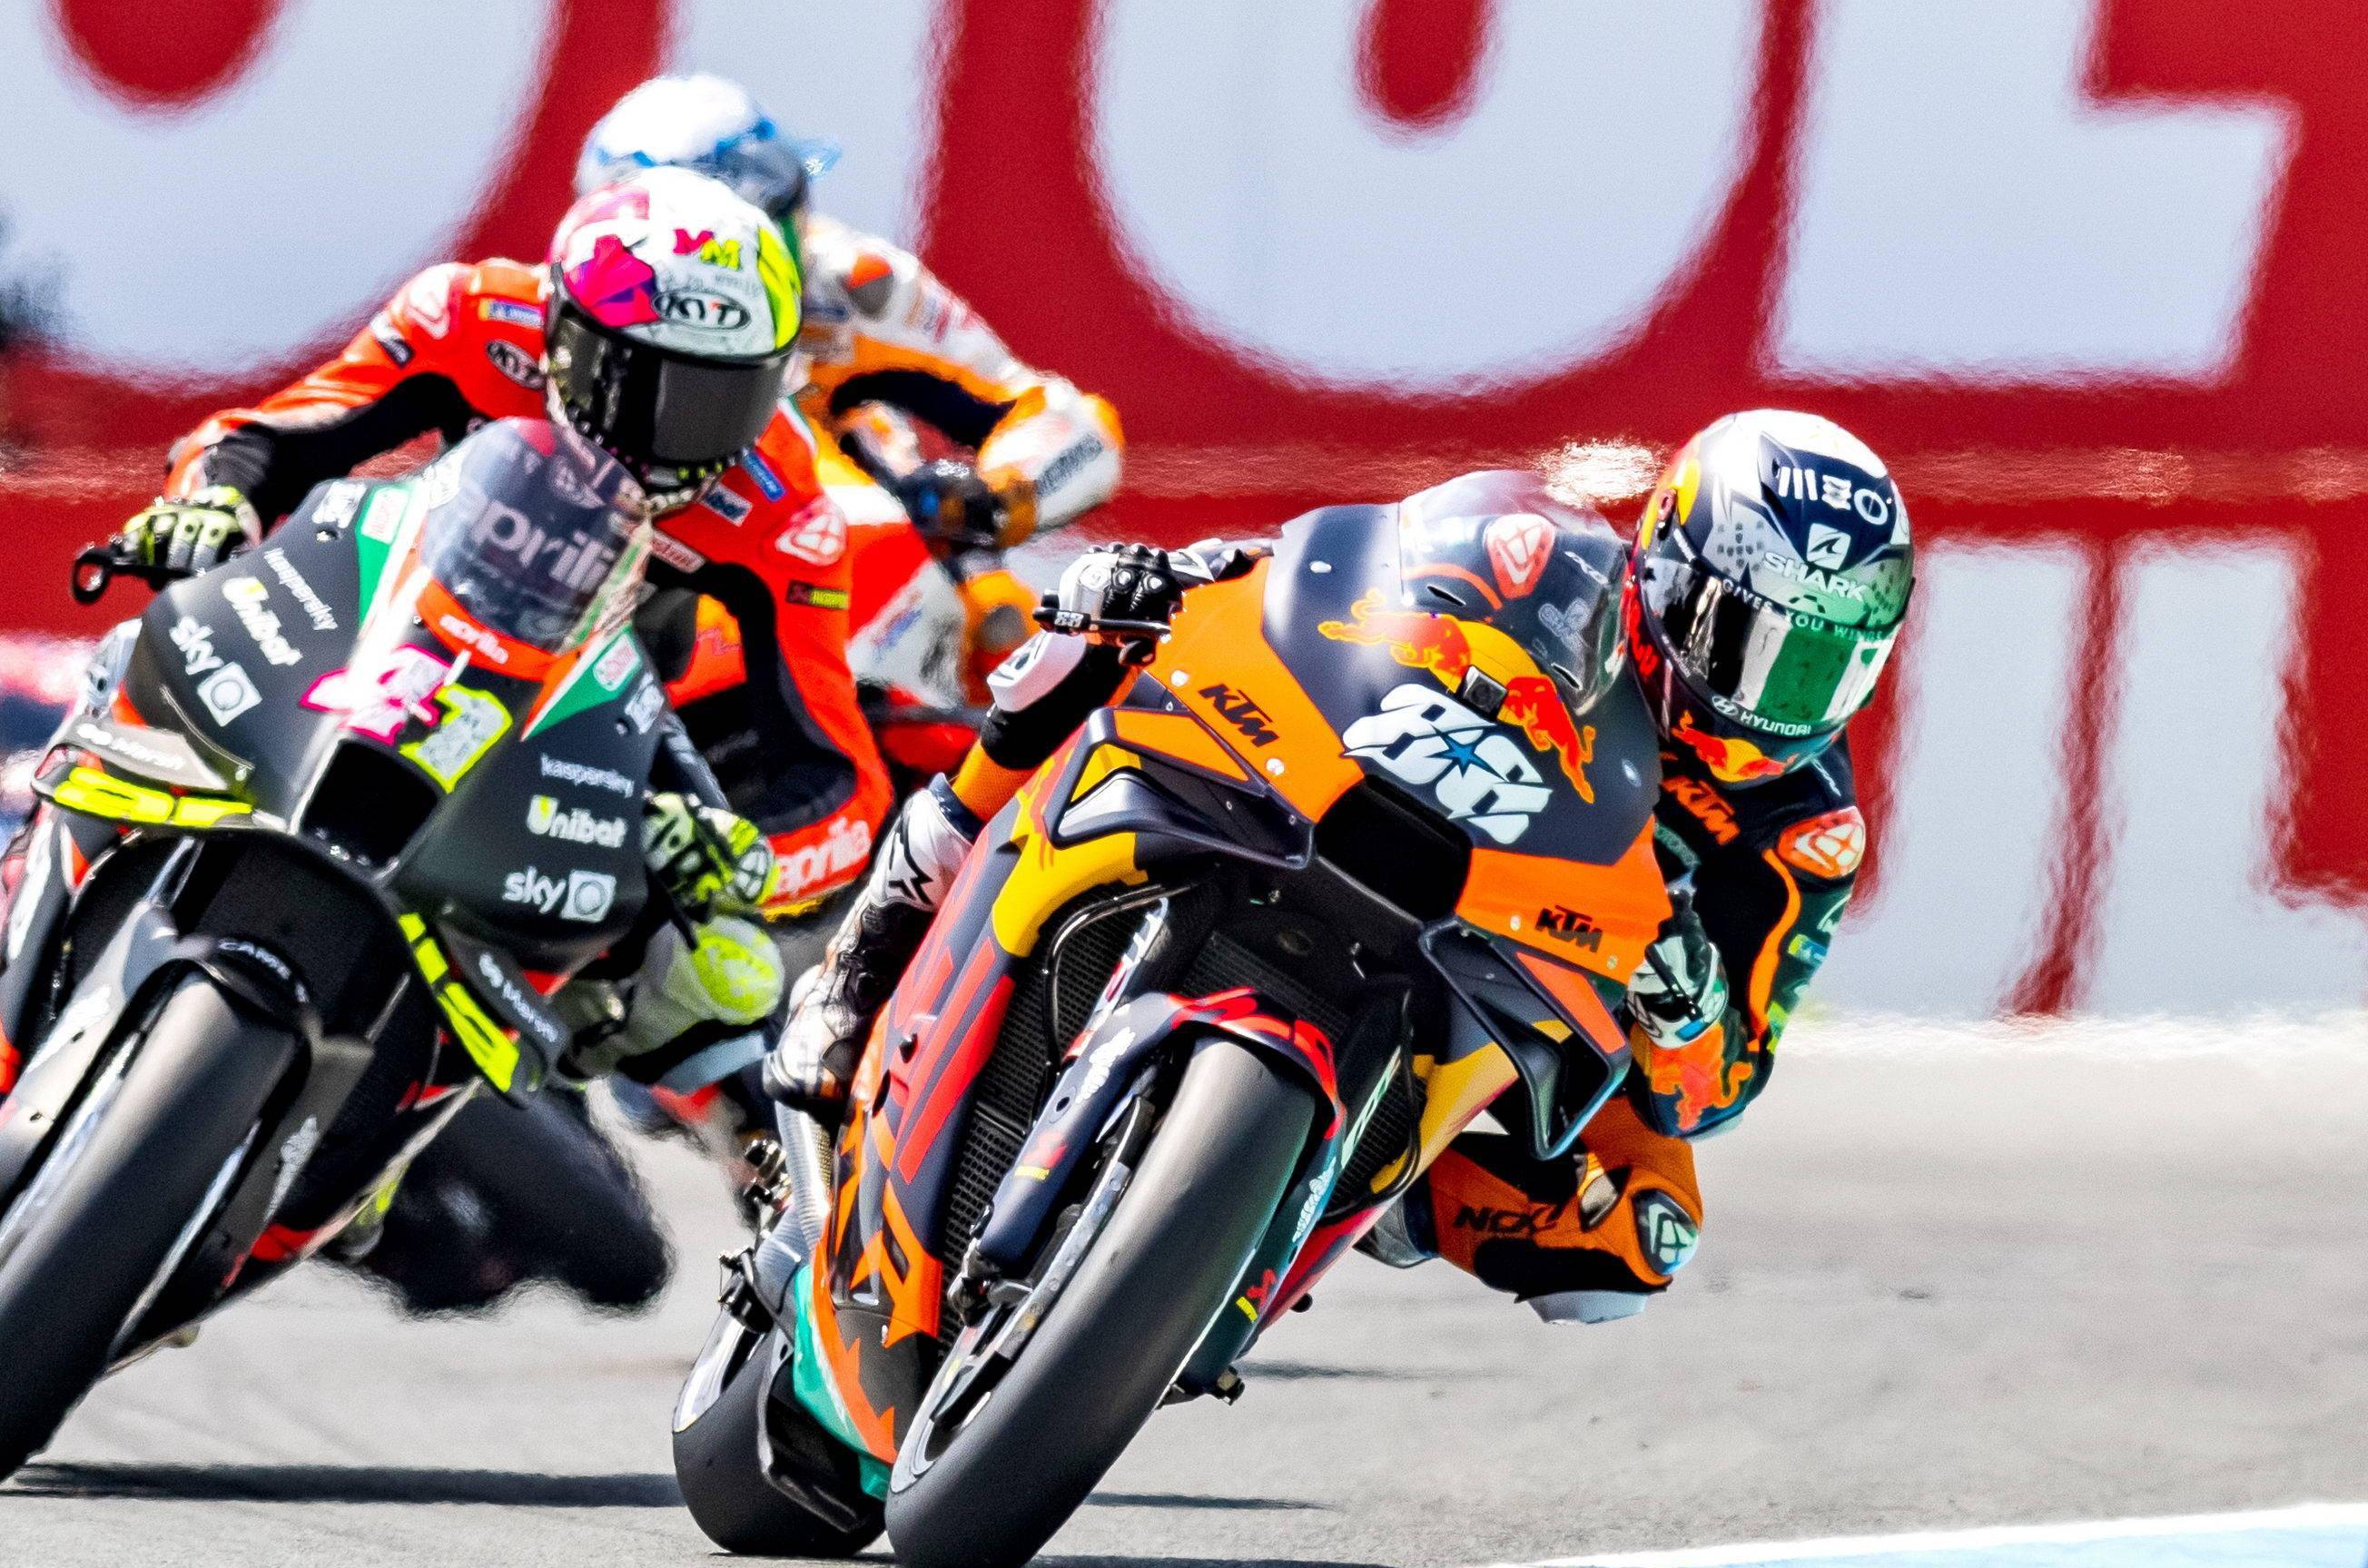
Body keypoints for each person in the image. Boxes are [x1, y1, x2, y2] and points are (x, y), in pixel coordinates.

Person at [765, 410, 1913, 1321]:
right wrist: (1193, 573)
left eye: (1823, 668)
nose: (1775, 699)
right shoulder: (1545, 561)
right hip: (1355, 812)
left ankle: (1339, 1200)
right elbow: (1329, 576)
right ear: (1664, 576)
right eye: (1750, 643)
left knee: (1645, 1227)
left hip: (1518, 978)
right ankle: (868, 953)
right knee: (1089, 639)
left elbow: (1718, 1088)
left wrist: (1686, 997)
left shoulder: (1803, 832)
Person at [110, 168, 890, 913]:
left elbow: (846, 787)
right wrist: (212, 505)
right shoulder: (467, 313)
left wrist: (747, 856)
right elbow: (274, 436)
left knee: (728, 978)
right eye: (632, 382)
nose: (662, 441)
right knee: (135, 655)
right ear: (560, 332)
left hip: (590, 739)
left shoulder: (787, 510)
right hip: (385, 631)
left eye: (714, 403)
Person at [573, 73, 1125, 688]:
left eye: (784, 203)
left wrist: (992, 499)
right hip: (631, 570)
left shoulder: (848, 283)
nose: (787, 227)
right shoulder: (566, 308)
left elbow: (1065, 422)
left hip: (843, 572)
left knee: (1008, 627)